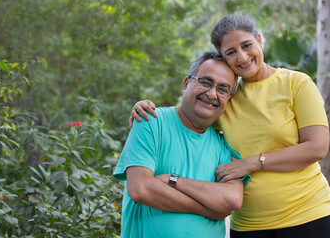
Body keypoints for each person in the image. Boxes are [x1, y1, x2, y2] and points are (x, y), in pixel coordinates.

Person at [129, 14, 330, 238]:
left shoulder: (296, 83)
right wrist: (143, 107)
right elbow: (190, 108)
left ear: (259, 40)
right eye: (231, 52)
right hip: (248, 225)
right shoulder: (227, 97)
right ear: (224, 58)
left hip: (308, 213)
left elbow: (317, 147)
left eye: (247, 45)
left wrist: (251, 163)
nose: (242, 57)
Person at [113, 52, 250, 238]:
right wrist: (209, 210)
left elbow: (231, 200)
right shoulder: (150, 121)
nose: (211, 94)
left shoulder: (224, 143)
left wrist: (173, 180)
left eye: (223, 89)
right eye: (206, 82)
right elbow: (141, 189)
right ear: (186, 84)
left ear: (229, 100)